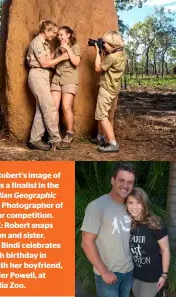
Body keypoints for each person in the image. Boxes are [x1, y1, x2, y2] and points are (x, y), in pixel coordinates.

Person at [80, 162, 136, 297]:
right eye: (121, 180)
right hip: (108, 273)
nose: (126, 185)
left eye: (130, 182)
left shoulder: (131, 206)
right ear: (112, 180)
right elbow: (86, 243)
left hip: (128, 271)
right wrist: (104, 272)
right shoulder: (97, 206)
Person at [26, 20, 70, 151]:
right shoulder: (37, 42)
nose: (55, 35)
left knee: (41, 109)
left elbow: (47, 60)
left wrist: (58, 52)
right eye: (54, 32)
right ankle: (56, 140)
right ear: (46, 31)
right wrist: (62, 58)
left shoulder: (45, 43)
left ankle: (34, 140)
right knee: (50, 108)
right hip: (37, 76)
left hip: (43, 76)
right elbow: (45, 64)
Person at [125, 187, 171, 297]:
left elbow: (165, 249)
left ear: (144, 204)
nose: (134, 207)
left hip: (152, 276)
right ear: (126, 204)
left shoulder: (155, 223)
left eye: (138, 203)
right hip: (134, 275)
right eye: (131, 202)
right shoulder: (126, 224)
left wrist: (164, 275)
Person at [90, 30, 126, 153]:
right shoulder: (121, 53)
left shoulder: (111, 57)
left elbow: (97, 68)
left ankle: (112, 143)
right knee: (104, 114)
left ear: (111, 43)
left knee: (102, 116)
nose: (103, 44)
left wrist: (98, 53)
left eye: (105, 43)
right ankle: (101, 137)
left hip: (106, 89)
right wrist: (105, 49)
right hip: (114, 88)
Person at [50, 25, 81, 148]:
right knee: (53, 107)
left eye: (61, 34)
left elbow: (76, 62)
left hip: (70, 80)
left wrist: (67, 49)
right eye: (58, 35)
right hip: (57, 79)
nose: (59, 37)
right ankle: (54, 134)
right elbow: (51, 63)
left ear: (68, 35)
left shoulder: (75, 47)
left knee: (66, 107)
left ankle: (69, 133)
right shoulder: (57, 49)